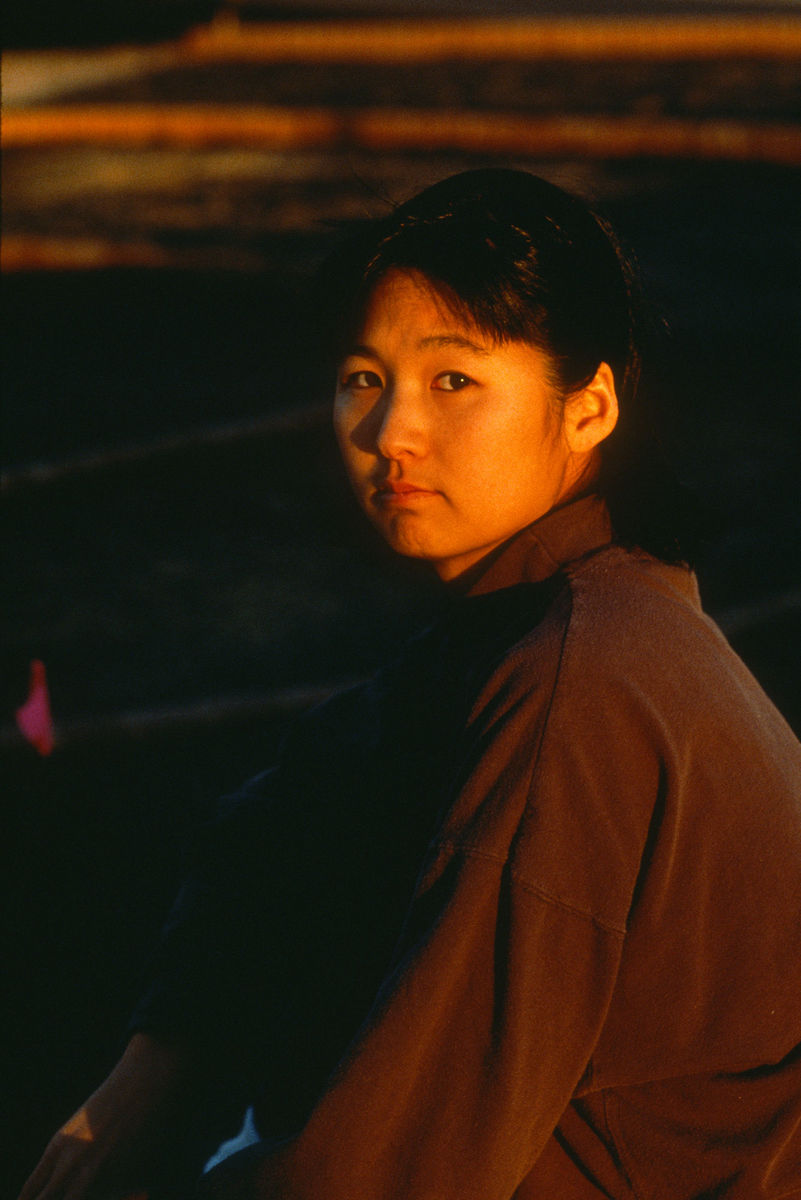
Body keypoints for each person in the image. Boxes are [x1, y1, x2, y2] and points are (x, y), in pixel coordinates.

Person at [20, 169, 801, 1200]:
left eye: (453, 381)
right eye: (362, 378)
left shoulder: (583, 682)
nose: (389, 433)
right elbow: (299, 810)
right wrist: (160, 1064)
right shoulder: (579, 623)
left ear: (591, 406)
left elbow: (388, 1175)